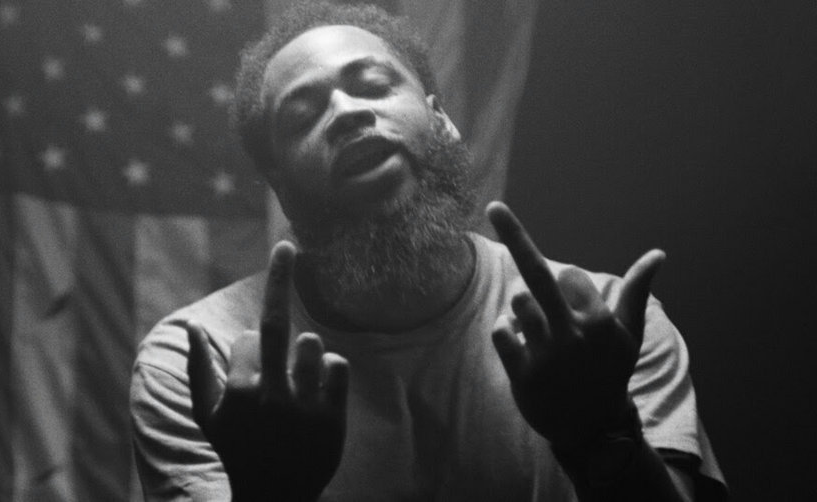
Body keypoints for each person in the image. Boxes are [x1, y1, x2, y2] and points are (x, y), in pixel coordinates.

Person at [129, 3, 726, 500]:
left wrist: (603, 436)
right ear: (280, 186)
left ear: (441, 121)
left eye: (372, 85)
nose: (347, 113)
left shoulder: (600, 325)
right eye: (303, 115)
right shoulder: (202, 363)